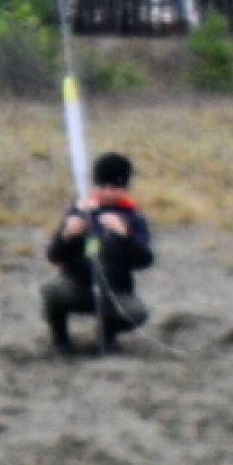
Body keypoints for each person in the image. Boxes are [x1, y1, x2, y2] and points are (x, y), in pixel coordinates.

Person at [41, 151, 155, 355]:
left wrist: (125, 234)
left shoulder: (134, 219)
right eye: (102, 186)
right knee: (51, 291)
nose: (107, 192)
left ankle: (107, 334)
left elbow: (144, 260)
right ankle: (60, 339)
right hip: (78, 286)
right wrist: (66, 235)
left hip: (114, 291)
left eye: (114, 187)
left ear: (125, 188)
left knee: (136, 313)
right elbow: (54, 256)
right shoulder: (80, 211)